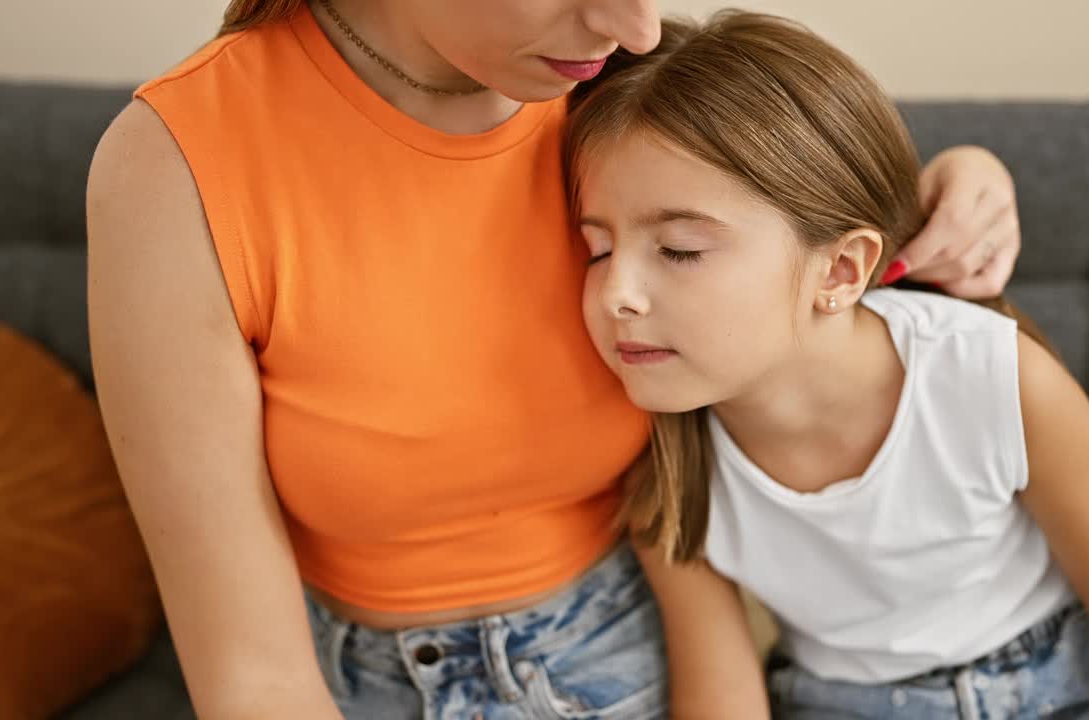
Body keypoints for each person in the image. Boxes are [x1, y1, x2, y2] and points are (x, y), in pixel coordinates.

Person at [86, 1, 1028, 717]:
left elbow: (803, 242)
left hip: (635, 651)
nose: (638, 24)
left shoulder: (615, 83)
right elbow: (253, 674)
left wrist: (960, 181)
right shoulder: (180, 165)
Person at [566, 11, 1089, 720]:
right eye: (598, 250)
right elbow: (723, 692)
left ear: (842, 271)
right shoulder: (661, 464)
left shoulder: (996, 378)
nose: (619, 295)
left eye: (680, 250)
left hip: (1064, 685)